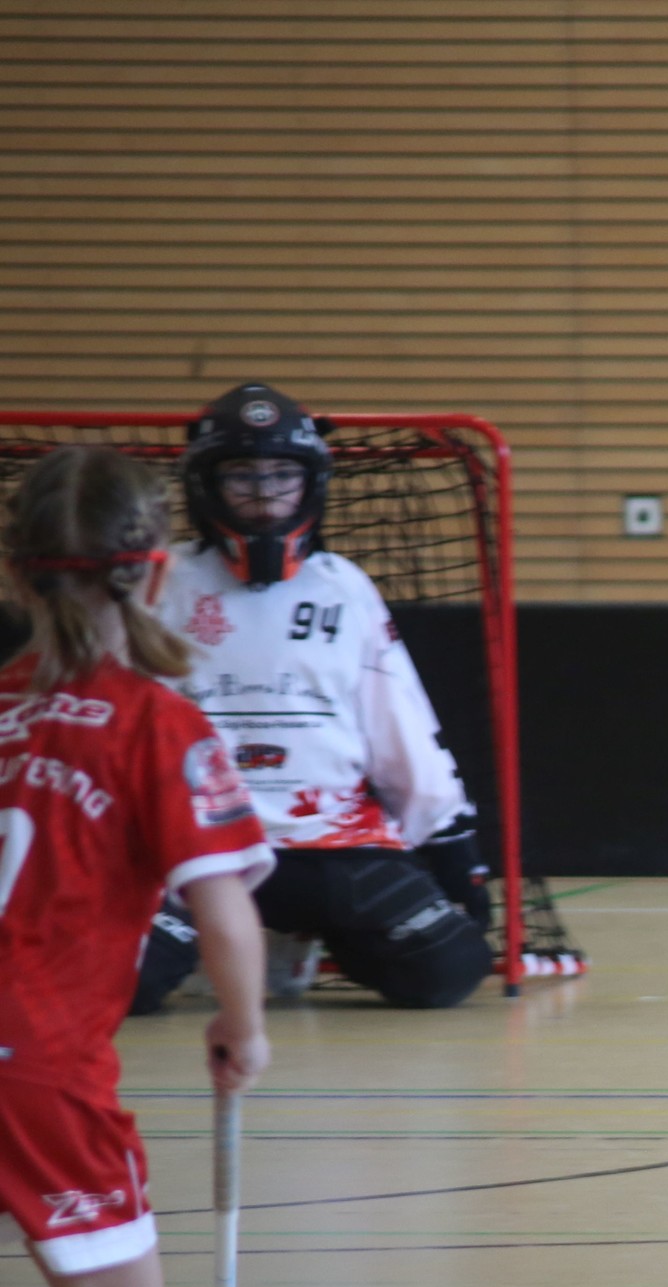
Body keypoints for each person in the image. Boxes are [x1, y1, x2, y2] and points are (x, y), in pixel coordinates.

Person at [1, 446, 359, 1287]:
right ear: (156, 562)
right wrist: (244, 1027)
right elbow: (224, 912)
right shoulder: (159, 719)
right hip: (35, 1075)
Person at [131, 382, 490, 1013]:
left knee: (447, 970)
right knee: (123, 983)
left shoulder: (344, 587)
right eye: (242, 475)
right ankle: (221, 942)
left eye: (281, 475)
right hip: (199, 848)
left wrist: (450, 843)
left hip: (334, 844)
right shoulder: (163, 585)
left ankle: (314, 938)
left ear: (312, 485)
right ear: (206, 485)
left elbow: (400, 727)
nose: (265, 493)